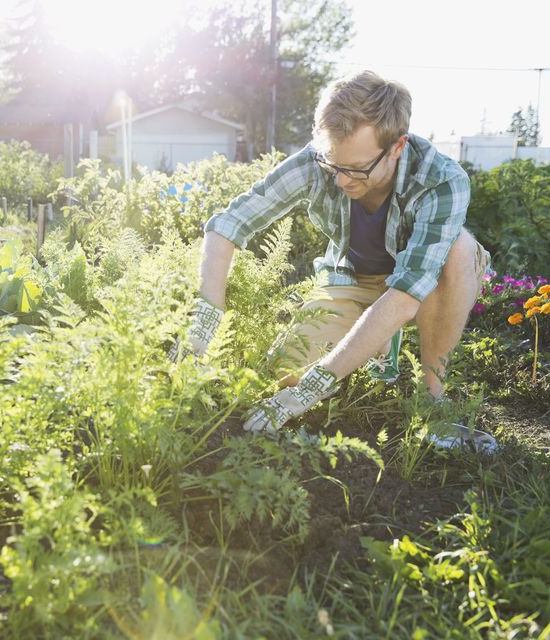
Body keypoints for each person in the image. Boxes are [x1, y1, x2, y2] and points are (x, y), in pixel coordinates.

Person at [174, 70, 494, 441]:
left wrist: (316, 385)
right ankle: (370, 349)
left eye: (356, 169)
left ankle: (431, 398)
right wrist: (204, 323)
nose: (340, 180)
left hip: (427, 285)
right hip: (352, 277)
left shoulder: (442, 180)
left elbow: (405, 296)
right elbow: (229, 223)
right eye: (333, 164)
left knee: (459, 249)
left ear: (397, 147)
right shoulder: (319, 161)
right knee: (285, 374)